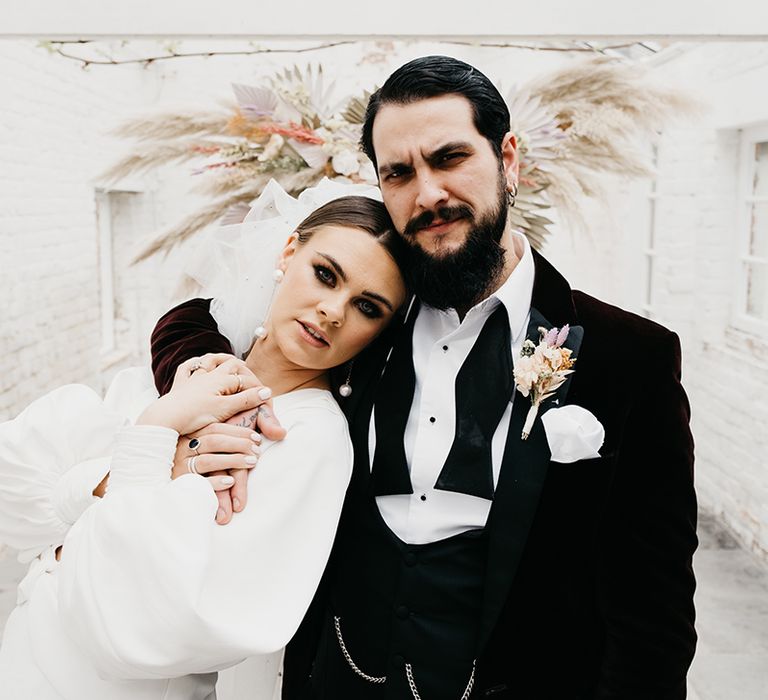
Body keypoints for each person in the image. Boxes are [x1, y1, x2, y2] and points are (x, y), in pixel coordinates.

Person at [151, 56, 698, 699]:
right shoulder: (364, 317)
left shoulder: (628, 358)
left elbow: (652, 616)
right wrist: (203, 378)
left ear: (508, 160)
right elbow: (202, 315)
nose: (428, 193)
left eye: (450, 158)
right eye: (400, 173)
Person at [0, 187, 409, 699]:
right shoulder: (196, 367)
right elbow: (16, 478)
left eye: (367, 307)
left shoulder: (311, 440)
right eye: (325, 274)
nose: (332, 311)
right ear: (288, 253)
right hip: (24, 652)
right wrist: (142, 453)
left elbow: (174, 616)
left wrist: (146, 441)